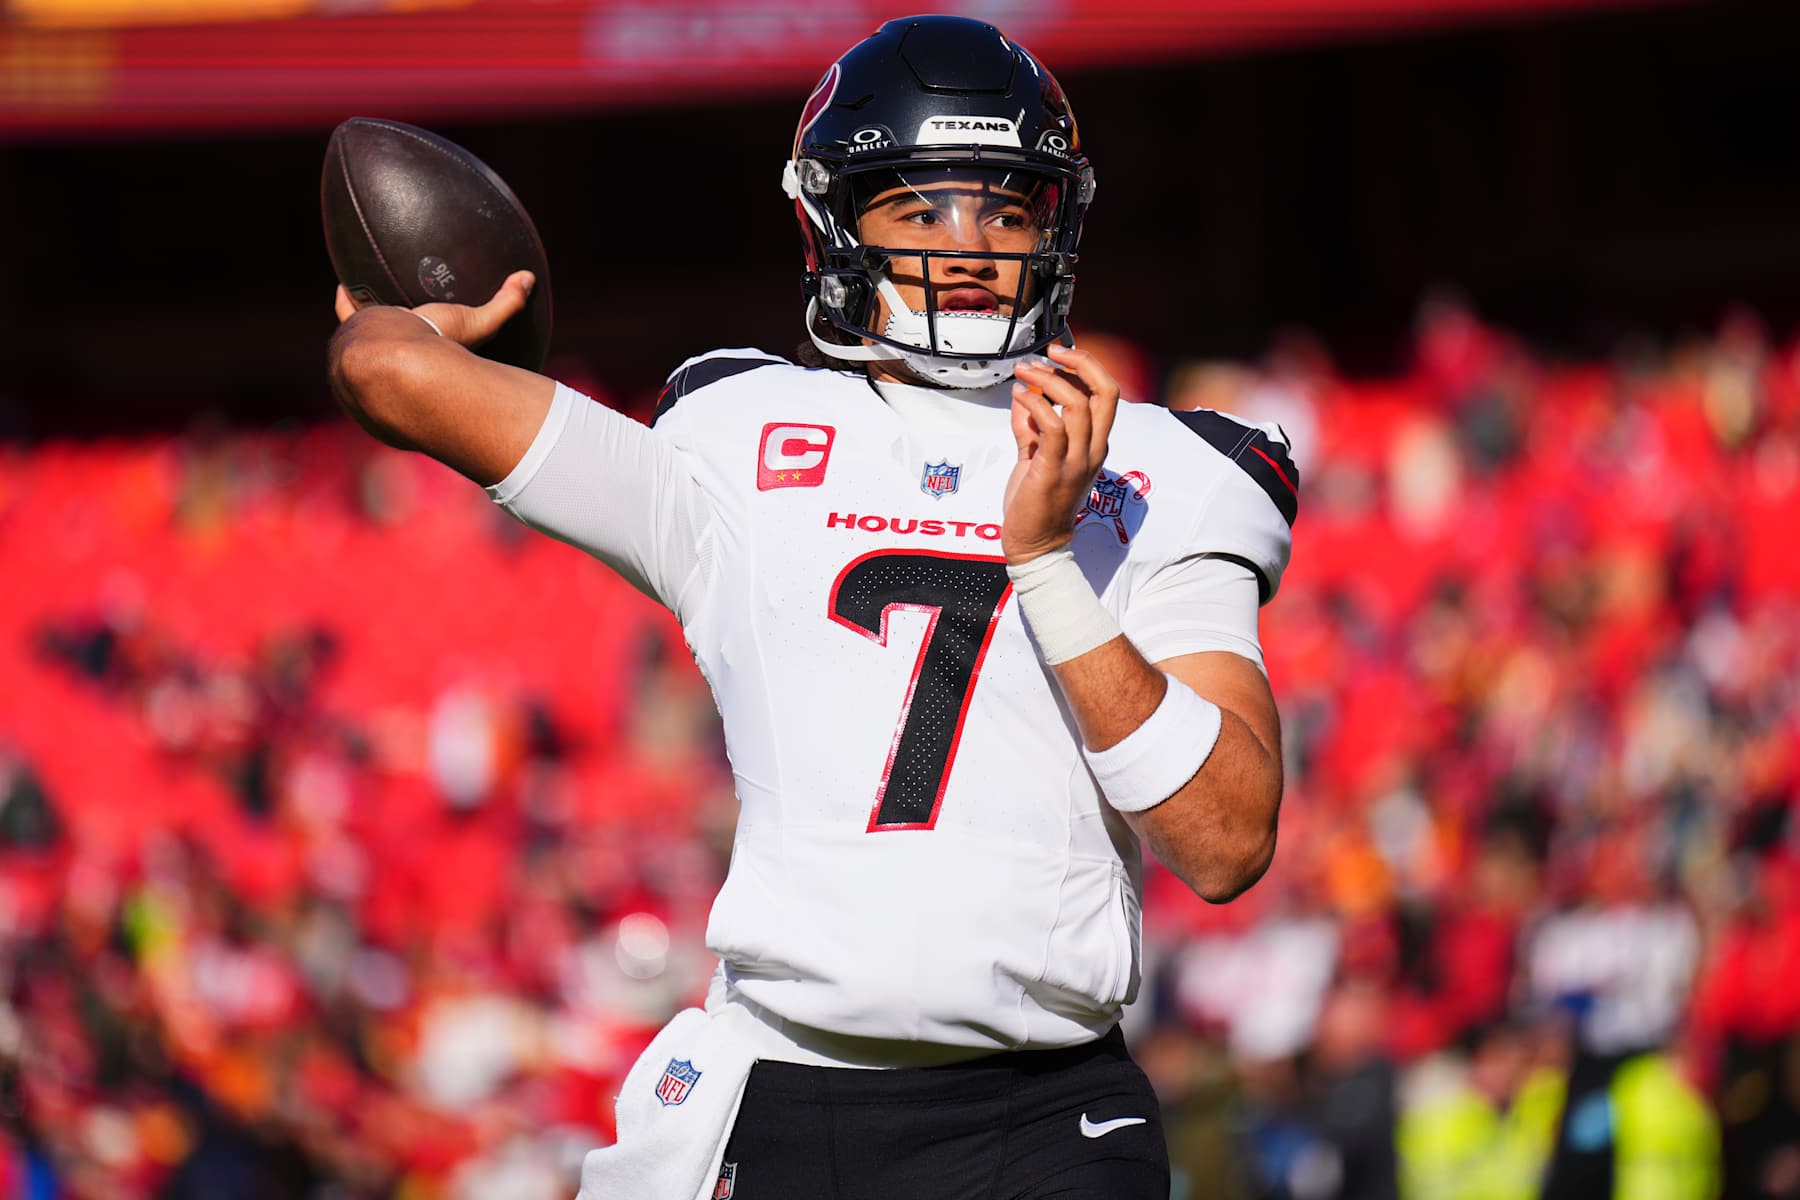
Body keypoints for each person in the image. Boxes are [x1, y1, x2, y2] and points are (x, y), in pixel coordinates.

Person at [327, 14, 1297, 1199]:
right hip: (787, 1094)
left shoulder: (1162, 467)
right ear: (835, 222)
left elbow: (1227, 838)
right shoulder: (739, 436)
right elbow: (387, 372)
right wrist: (419, 320)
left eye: (1005, 206)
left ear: (1058, 221)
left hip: (1043, 1113)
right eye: (920, 207)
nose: (973, 247)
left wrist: (1045, 563)